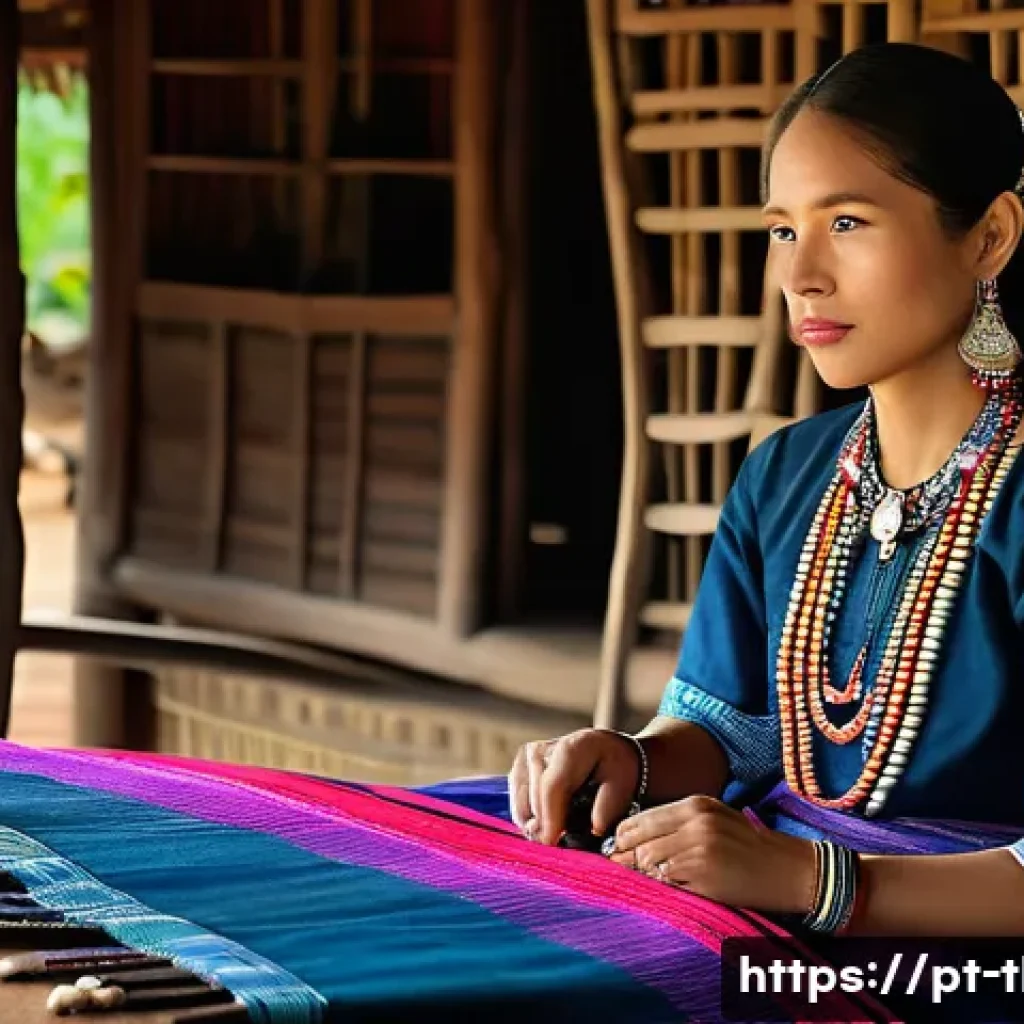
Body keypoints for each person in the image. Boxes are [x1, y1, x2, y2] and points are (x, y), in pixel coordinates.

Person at [510, 41, 1024, 940]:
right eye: (783, 229)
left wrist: (821, 882)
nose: (800, 276)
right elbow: (737, 730)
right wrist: (629, 758)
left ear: (989, 236)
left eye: (849, 223)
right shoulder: (786, 474)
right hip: (771, 892)